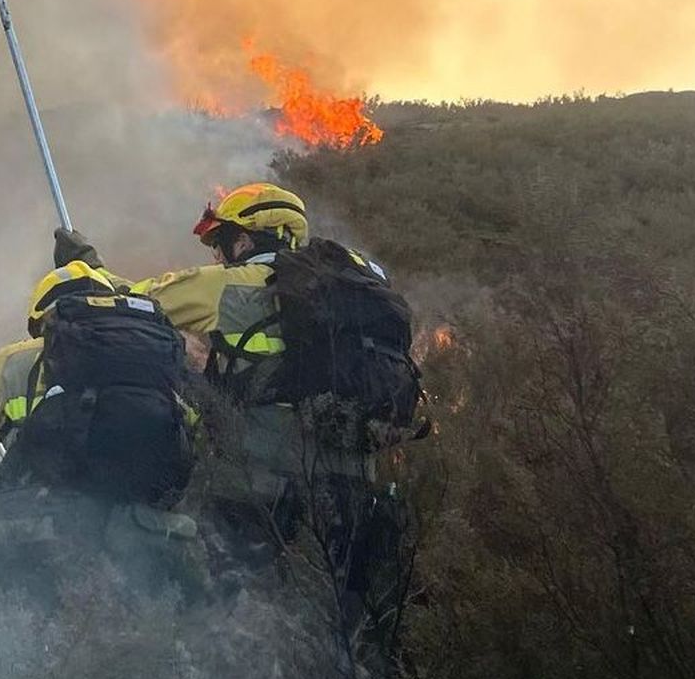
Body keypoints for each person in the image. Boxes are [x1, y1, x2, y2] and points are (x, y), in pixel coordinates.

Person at [56, 183, 424, 625]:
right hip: (353, 493)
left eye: (223, 242)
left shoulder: (235, 286)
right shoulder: (355, 296)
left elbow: (131, 304)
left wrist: (86, 265)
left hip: (260, 489)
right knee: (340, 631)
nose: (219, 256)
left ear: (246, 239)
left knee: (228, 623)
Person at [0, 261, 205, 599]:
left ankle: (20, 620)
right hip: (150, 514)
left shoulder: (20, 359)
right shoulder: (159, 360)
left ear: (44, 318)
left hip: (66, 520)